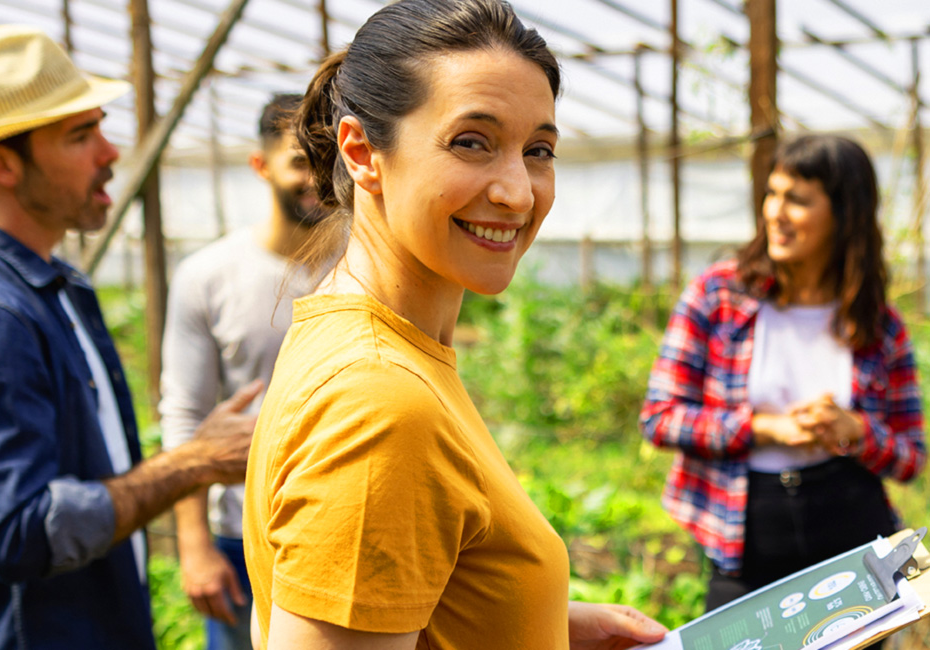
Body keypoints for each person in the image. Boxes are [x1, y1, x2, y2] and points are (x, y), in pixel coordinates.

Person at [242, 1, 669, 648]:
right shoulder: (380, 402)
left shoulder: (375, 346)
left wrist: (533, 625)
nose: (518, 192)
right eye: (472, 142)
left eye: (539, 151)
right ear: (361, 152)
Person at [0, 25, 259, 650]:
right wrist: (192, 462)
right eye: (80, 136)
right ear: (1, 162)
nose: (109, 153)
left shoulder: (48, 286)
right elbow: (20, 531)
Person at [641, 135, 926, 622]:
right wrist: (767, 428)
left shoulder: (877, 324)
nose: (775, 211)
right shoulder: (718, 296)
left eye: (797, 199)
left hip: (851, 537)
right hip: (742, 539)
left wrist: (858, 432)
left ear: (845, 212)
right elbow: (660, 418)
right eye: (772, 194)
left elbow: (910, 458)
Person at [160, 92, 324, 650]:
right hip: (243, 534)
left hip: (343, 526)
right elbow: (185, 415)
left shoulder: (367, 265)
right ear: (261, 166)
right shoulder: (208, 276)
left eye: (330, 160)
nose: (318, 179)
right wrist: (193, 543)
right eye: (301, 161)